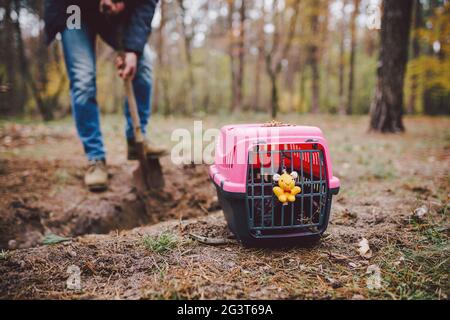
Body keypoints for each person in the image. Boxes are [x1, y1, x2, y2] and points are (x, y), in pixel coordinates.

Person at [44, 0, 167, 191]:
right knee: (83, 79)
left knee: (143, 60)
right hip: (73, 10)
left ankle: (136, 139)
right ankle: (96, 158)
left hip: (113, 14)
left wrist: (132, 50)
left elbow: (146, 5)